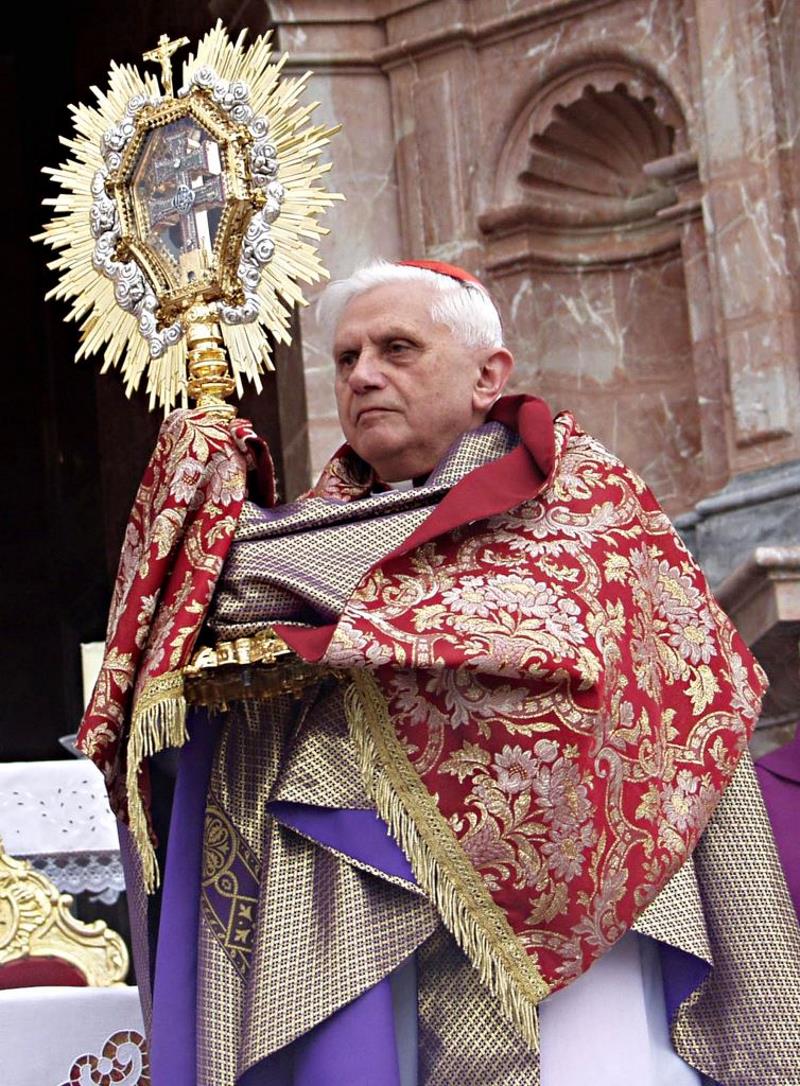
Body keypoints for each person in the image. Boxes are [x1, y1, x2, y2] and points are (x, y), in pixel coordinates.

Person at [87, 260, 800, 1086]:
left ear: (488, 375)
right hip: (365, 919)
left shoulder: (590, 508)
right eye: (347, 358)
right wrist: (202, 510)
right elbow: (199, 687)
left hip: (591, 920)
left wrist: (354, 642)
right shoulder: (292, 550)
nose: (363, 375)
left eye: (396, 348)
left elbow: (598, 660)